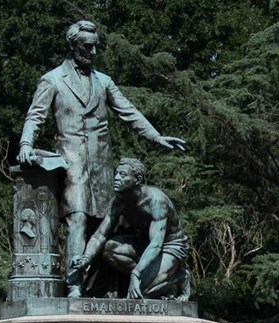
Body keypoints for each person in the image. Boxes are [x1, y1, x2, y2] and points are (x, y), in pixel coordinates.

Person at [17, 20, 186, 284]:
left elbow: (129, 112)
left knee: (104, 226)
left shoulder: (104, 82)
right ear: (73, 46)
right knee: (78, 219)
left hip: (102, 168)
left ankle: (97, 286)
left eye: (96, 47)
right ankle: (73, 286)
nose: (93, 53)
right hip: (71, 164)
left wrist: (156, 136)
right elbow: (35, 117)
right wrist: (25, 144)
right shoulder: (52, 80)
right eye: (88, 47)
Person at [68, 158, 191, 299]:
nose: (116, 178)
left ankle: (178, 275)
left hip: (169, 247)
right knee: (108, 248)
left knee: (142, 293)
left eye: (122, 175)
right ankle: (151, 276)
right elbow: (100, 235)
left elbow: (156, 243)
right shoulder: (118, 201)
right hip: (143, 244)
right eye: (116, 174)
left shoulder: (156, 200)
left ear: (137, 179)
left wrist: (136, 273)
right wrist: (86, 258)